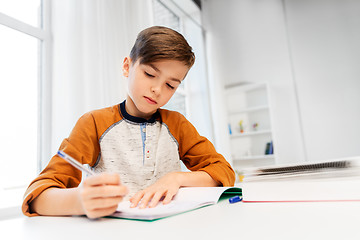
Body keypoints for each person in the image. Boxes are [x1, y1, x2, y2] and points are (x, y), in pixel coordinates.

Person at [22, 26, 235, 219]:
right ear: (127, 66)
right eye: (150, 74)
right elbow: (37, 197)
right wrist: (79, 201)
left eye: (170, 85)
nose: (158, 89)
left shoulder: (177, 124)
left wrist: (177, 178)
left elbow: (223, 171)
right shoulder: (94, 123)